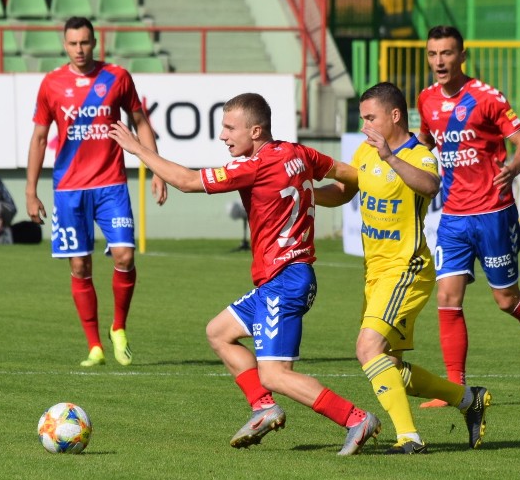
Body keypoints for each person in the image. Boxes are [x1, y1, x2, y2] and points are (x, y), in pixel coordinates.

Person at [108, 92, 383, 455]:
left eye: (228, 127)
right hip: (285, 277)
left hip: (285, 279)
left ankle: (355, 418)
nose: (222, 135)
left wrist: (138, 149)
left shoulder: (254, 165)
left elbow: (188, 182)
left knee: (275, 374)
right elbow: (351, 178)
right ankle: (263, 407)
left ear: (256, 131)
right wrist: (312, 197)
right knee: (219, 332)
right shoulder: (300, 153)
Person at [314, 82, 490, 453]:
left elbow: (430, 185)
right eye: (363, 119)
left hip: (406, 270)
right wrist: (306, 193)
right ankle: (467, 399)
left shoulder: (418, 153)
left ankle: (409, 436)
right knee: (387, 364)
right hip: (375, 273)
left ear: (395, 116)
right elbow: (344, 191)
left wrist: (391, 157)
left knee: (367, 349)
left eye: (371, 118)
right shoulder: (366, 150)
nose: (366, 126)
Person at [416, 25, 520, 406]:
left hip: (493, 212)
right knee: (447, 297)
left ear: (462, 56)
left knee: (506, 300)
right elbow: (423, 145)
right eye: (433, 54)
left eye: (447, 54)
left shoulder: (486, 98)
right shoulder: (426, 101)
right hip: (452, 216)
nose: (439, 62)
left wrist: (513, 169)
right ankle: (455, 389)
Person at [25, 16, 167, 368]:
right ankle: (94, 346)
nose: (79, 49)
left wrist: (156, 169)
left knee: (124, 256)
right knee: (79, 265)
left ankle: (118, 328)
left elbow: (141, 122)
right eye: (73, 43)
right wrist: (30, 190)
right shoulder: (52, 84)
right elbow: (40, 138)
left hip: (111, 185)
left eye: (85, 42)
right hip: (69, 190)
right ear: (64, 44)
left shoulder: (116, 77)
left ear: (94, 41)